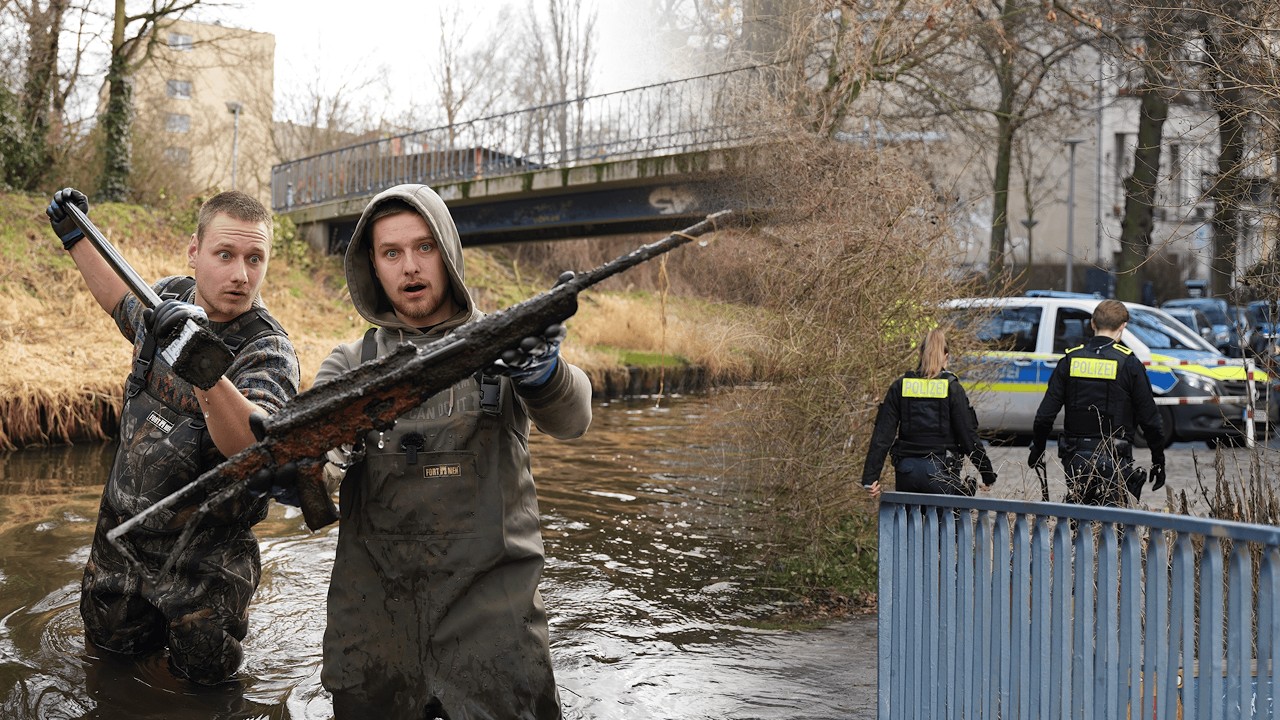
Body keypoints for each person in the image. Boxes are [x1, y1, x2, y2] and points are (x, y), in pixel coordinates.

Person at [314, 184, 592, 719]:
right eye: (391, 253)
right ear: (372, 265)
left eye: (425, 247)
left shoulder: (508, 342)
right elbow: (309, 484)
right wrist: (324, 459)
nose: (410, 267)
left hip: (496, 637)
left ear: (449, 252)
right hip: (375, 636)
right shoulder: (348, 365)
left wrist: (544, 374)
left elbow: (574, 419)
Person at [45, 188, 301, 685]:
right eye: (224, 255)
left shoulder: (269, 350)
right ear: (194, 252)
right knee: (107, 678)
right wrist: (77, 238)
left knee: (200, 694)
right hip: (120, 545)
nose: (240, 274)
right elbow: (120, 302)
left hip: (205, 570)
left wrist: (201, 364)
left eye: (254, 258)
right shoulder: (165, 299)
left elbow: (250, 449)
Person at [1028, 299, 1166, 506]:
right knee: (1114, 518)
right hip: (1115, 454)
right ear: (1123, 326)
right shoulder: (1129, 363)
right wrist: (1158, 460)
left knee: (1081, 514)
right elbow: (1150, 419)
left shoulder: (1070, 360)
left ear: (1092, 323)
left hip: (1074, 454)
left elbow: (1044, 416)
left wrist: (1037, 448)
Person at [861, 328, 998, 498]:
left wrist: (870, 479)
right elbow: (968, 436)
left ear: (920, 354)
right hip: (942, 472)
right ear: (946, 357)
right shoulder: (952, 388)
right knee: (946, 523)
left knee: (910, 523)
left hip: (906, 471)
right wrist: (987, 473)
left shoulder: (900, 386)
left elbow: (882, 435)